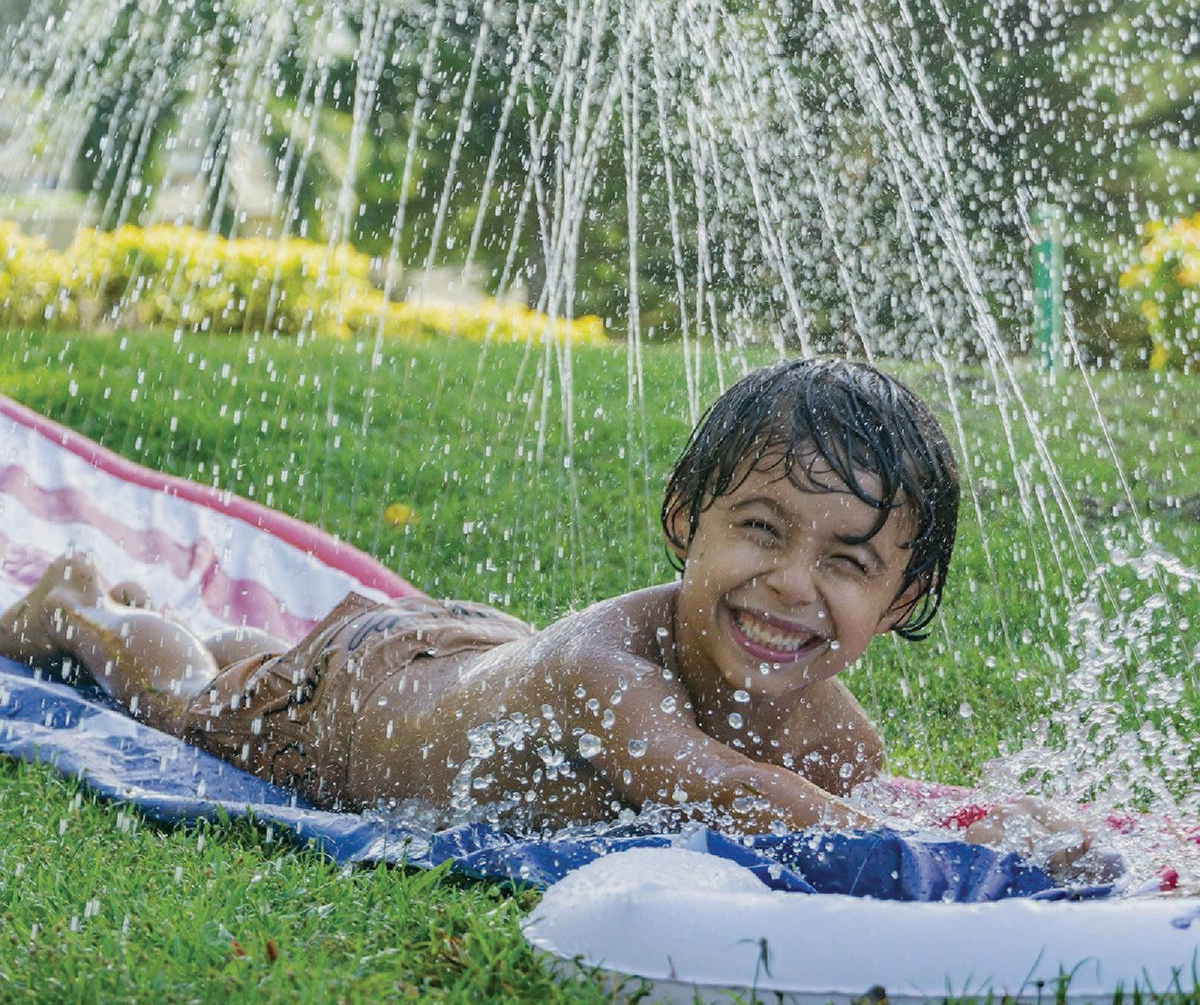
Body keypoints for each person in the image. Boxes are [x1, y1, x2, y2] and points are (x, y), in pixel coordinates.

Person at [0, 358, 1087, 863]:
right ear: (683, 524)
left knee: (255, 657)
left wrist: (982, 827)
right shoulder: (609, 674)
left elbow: (838, 826)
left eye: (847, 562)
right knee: (194, 699)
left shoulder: (839, 741)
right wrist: (996, 847)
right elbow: (725, 792)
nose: (793, 583)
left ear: (900, 601)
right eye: (759, 530)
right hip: (359, 711)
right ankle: (85, 609)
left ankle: (212, 631)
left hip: (465, 657)